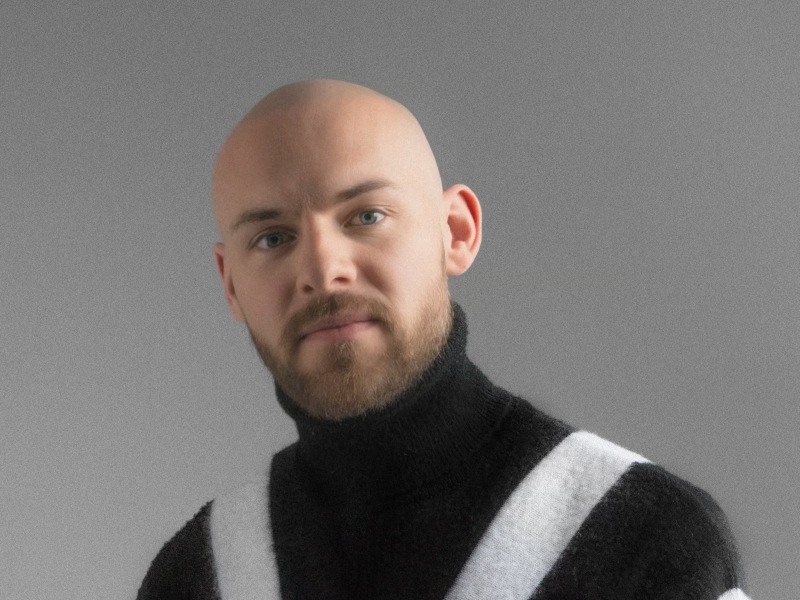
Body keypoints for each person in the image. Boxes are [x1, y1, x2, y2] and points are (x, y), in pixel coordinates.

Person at [137, 79, 750, 600]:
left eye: (365, 216)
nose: (323, 271)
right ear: (231, 285)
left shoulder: (646, 542)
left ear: (456, 231)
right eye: (272, 238)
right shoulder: (196, 578)